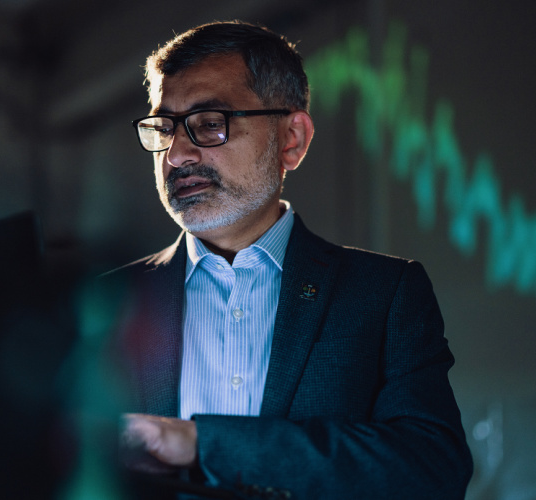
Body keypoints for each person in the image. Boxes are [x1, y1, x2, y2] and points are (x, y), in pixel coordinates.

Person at [111, 20, 472, 499]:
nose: (176, 154)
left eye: (209, 124)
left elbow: (433, 469)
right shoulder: (104, 302)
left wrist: (205, 445)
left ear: (291, 139)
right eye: (163, 128)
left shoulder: (384, 294)